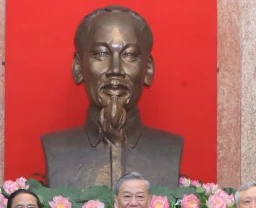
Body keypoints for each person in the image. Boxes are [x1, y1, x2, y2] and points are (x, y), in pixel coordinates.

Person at [41, 5, 183, 189]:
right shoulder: (56, 149)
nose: (115, 69)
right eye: (101, 54)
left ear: (147, 69)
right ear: (78, 67)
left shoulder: (169, 148)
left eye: (129, 55)